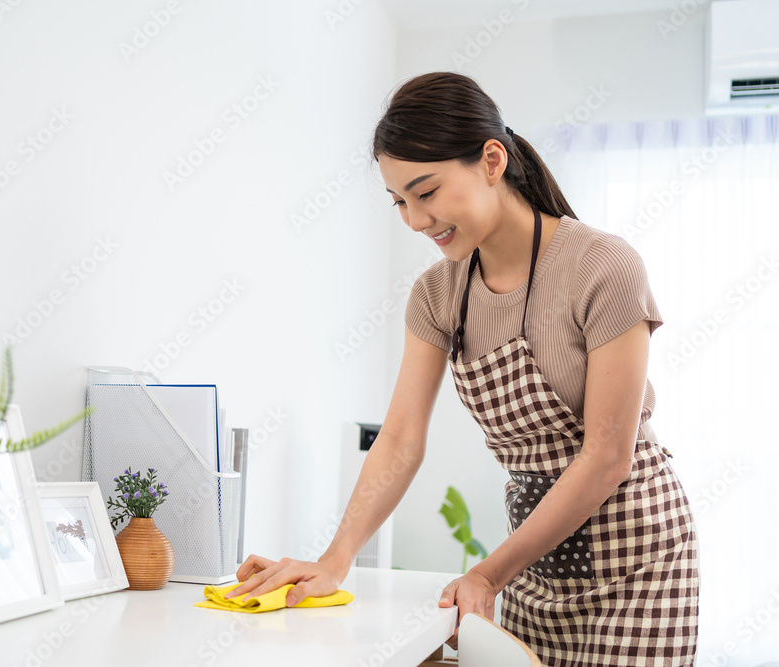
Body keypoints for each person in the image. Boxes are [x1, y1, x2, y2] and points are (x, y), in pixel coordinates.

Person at [224, 71, 699, 666]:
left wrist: (490, 573)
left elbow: (607, 454)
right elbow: (398, 439)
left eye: (426, 192)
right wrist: (334, 558)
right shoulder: (437, 295)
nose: (415, 220)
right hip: (534, 561)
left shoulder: (602, 266)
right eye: (399, 201)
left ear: (492, 160)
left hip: (636, 560)